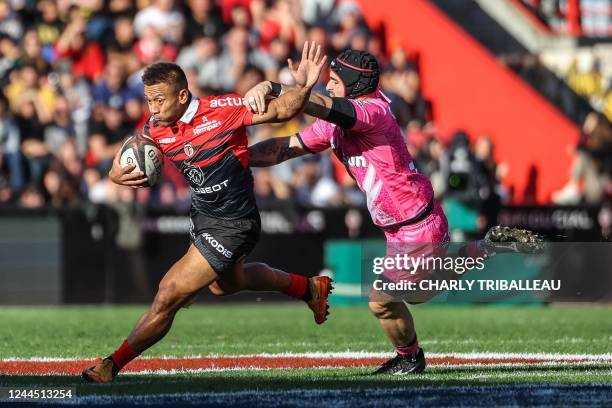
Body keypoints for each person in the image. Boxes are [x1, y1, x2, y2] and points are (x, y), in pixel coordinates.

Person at [244, 49, 543, 375]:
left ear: (352, 84)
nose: (328, 86)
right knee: (416, 295)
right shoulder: (334, 125)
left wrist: (276, 87)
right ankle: (485, 247)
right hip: (401, 228)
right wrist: (238, 157)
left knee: (381, 300)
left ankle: (411, 358)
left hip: (418, 225)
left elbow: (323, 105)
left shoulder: (373, 112)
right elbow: (285, 147)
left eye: (333, 80)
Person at [82, 42, 332, 383]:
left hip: (235, 224)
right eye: (148, 100)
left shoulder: (224, 109)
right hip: (203, 218)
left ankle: (111, 365)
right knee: (227, 285)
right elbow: (135, 148)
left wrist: (303, 87)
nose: (152, 108)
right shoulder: (156, 127)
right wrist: (114, 174)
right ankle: (308, 288)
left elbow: (282, 111)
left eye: (159, 99)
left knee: (169, 293)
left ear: (182, 96)